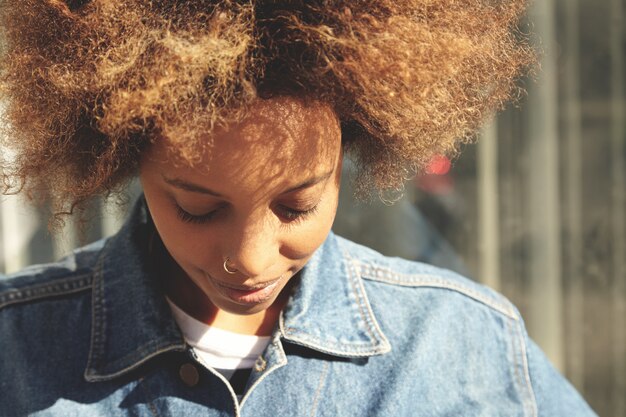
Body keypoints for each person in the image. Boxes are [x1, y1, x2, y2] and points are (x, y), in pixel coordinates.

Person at [0, 1, 597, 416]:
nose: (249, 261)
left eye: (296, 206)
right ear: (129, 161)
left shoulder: (462, 340)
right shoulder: (15, 347)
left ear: (347, 159)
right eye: (198, 209)